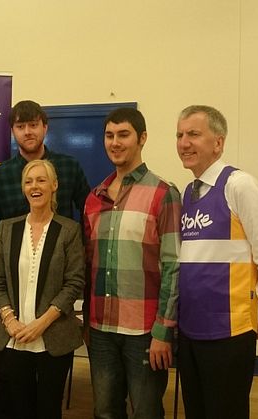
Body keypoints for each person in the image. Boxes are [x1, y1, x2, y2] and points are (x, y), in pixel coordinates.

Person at [175, 105, 258, 418]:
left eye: (194, 134)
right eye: (180, 135)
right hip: (190, 331)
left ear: (218, 142)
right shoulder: (188, 193)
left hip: (228, 334)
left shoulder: (239, 185)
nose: (184, 142)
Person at [84, 107, 181, 419]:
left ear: (142, 138)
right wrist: (86, 319)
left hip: (144, 331)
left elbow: (173, 266)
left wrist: (164, 331)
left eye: (123, 134)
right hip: (100, 328)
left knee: (146, 412)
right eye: (109, 135)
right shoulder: (94, 197)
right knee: (104, 411)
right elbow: (89, 265)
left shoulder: (164, 194)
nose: (115, 142)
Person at [0, 159, 85, 419]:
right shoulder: (6, 228)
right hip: (14, 338)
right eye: (28, 181)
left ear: (54, 185)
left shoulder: (69, 230)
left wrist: (42, 323)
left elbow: (74, 282)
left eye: (41, 180)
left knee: (48, 408)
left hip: (53, 338)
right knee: (16, 407)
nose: (34, 186)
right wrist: (9, 320)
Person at [0, 100, 90, 309]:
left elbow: (90, 215)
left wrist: (80, 257)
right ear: (12, 131)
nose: (27, 132)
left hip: (59, 280)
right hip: (13, 282)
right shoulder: (0, 175)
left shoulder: (69, 166)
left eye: (33, 125)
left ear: (45, 127)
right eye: (20, 127)